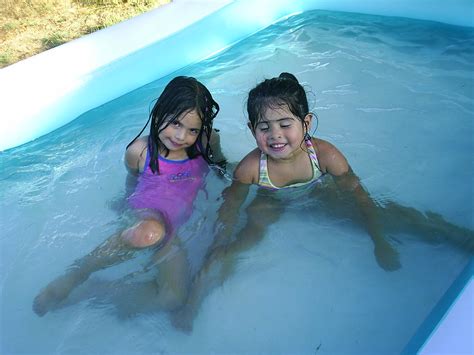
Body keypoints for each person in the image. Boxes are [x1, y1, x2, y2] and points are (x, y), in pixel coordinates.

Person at [171, 72, 474, 331]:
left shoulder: (325, 155)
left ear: (306, 123)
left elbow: (361, 197)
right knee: (233, 247)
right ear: (252, 131)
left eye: (285, 124)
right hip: (270, 201)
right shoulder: (251, 168)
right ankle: (191, 304)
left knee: (397, 216)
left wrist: (378, 239)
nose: (275, 136)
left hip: (319, 195)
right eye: (264, 128)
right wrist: (221, 239)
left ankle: (457, 236)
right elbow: (230, 207)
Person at [33, 76, 226, 317]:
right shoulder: (139, 151)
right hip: (149, 216)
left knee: (172, 299)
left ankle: (97, 290)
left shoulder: (207, 140)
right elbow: (134, 183)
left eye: (192, 130)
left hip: (176, 225)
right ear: (159, 113)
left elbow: (218, 165)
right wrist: (125, 205)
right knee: (150, 232)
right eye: (175, 123)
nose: (180, 136)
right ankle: (78, 274)